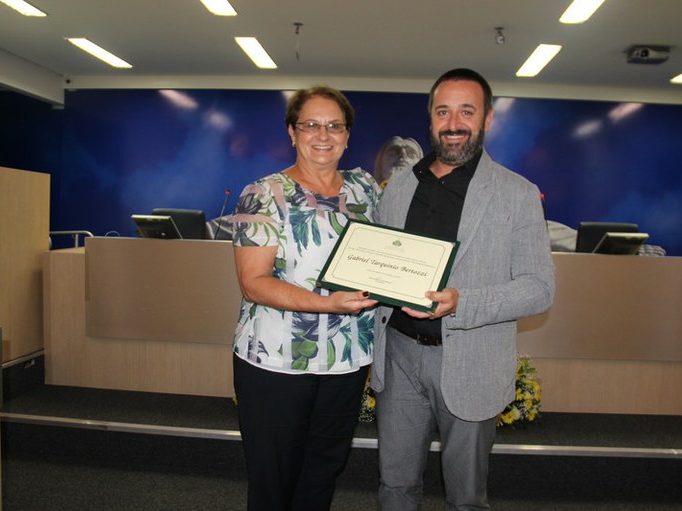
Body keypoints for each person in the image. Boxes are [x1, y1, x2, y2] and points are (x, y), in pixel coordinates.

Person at [371, 68, 556, 510]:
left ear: (487, 119)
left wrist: (461, 303)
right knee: (394, 486)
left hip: (471, 361)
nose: (453, 123)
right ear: (431, 118)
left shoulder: (517, 193)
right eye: (443, 111)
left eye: (466, 112)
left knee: (466, 497)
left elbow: (539, 289)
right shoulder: (399, 187)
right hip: (398, 357)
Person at [230, 85, 380, 510]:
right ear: (292, 132)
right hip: (277, 362)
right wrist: (329, 303)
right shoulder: (263, 194)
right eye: (311, 125)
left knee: (323, 472)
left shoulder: (366, 189)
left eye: (335, 126)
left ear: (348, 135)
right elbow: (254, 282)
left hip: (346, 360)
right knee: (273, 479)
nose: (323, 135)